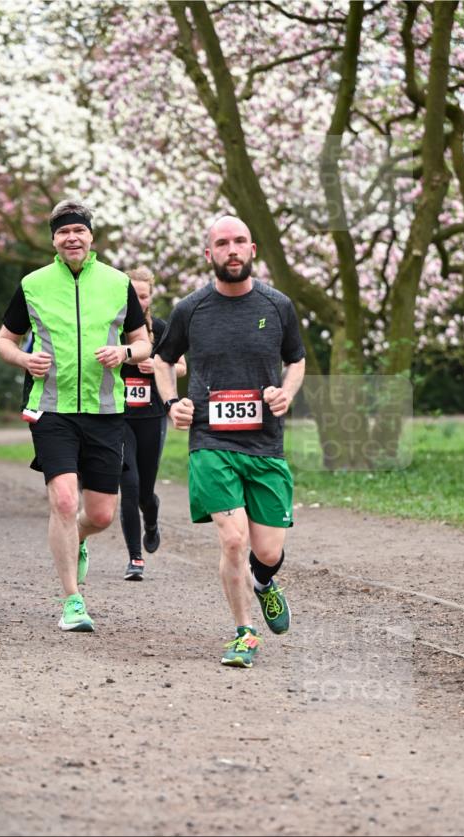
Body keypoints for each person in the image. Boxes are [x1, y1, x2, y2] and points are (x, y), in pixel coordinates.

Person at [154, 215, 306, 667]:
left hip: (265, 445)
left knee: (267, 551)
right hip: (210, 442)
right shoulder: (190, 309)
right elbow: (164, 361)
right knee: (233, 540)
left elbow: (296, 361)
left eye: (240, 240)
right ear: (209, 255)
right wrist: (171, 403)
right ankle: (245, 633)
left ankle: (263, 582)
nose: (232, 249)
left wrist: (286, 392)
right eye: (222, 243)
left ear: (253, 249)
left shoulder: (278, 306)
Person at [0, 199, 150, 632]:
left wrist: (124, 352)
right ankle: (72, 601)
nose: (72, 238)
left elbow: (144, 343)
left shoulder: (118, 284)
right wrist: (24, 362)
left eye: (78, 230)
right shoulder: (33, 285)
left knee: (99, 514)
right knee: (63, 500)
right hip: (52, 409)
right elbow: (3, 340)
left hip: (104, 409)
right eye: (63, 232)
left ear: (91, 236)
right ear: (54, 240)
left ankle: (77, 540)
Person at [120, 266, 186, 580]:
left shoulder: (160, 328)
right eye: (133, 295)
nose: (138, 301)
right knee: (128, 488)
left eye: (143, 296)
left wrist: (155, 367)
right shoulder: (111, 328)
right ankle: (135, 558)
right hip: (118, 418)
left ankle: (152, 518)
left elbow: (182, 367)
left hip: (152, 417)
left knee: (145, 492)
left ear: (150, 297)